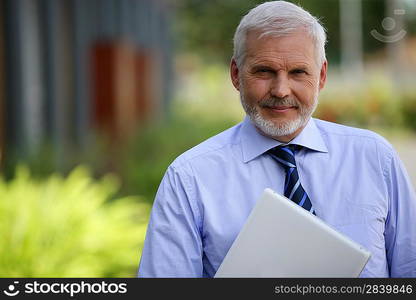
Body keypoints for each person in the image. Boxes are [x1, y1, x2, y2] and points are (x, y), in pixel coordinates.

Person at [138, 1, 416, 277]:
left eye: (298, 72)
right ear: (236, 75)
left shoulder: (375, 158)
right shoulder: (190, 178)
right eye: (264, 71)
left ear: (321, 76)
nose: (281, 90)